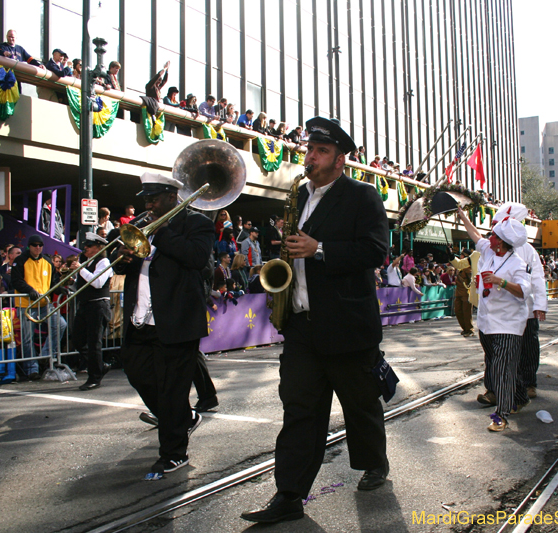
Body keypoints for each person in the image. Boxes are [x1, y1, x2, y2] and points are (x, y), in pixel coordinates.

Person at [242, 117, 390, 524]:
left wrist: (320, 248)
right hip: (303, 325)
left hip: (346, 324)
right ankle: (289, 494)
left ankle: (374, 463)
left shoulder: (363, 195)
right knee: (300, 411)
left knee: (360, 405)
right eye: (310, 149)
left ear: (340, 159)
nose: (311, 156)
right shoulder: (298, 196)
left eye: (322, 151)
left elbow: (376, 251)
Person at [113, 172, 213, 477]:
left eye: (154, 199)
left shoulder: (197, 224)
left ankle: (173, 453)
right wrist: (123, 257)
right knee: (136, 373)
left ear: (172, 197)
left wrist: (163, 233)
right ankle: (183, 417)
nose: (149, 205)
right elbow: (117, 260)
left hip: (177, 321)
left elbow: (196, 257)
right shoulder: (141, 222)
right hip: (141, 320)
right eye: (146, 199)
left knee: (172, 389)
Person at [458, 207, 530, 432]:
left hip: (509, 324)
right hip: (487, 323)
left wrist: (501, 282)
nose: (489, 237)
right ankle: (520, 395)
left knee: (501, 369)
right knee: (499, 364)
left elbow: (524, 291)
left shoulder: (517, 263)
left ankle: (502, 414)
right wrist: (462, 216)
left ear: (502, 242)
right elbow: (475, 236)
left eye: (494, 235)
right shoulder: (489, 252)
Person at [486, 203, 548, 401]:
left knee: (528, 347)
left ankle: (528, 383)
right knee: (494, 353)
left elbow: (537, 278)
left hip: (525, 309)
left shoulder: (528, 250)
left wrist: (539, 305)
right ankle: (493, 389)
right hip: (499, 311)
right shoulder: (489, 250)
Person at [12, 235, 68, 380]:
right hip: (26, 305)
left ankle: (44, 357)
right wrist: (29, 290)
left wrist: (58, 289)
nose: (38, 248)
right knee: (27, 338)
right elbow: (16, 280)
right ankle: (32, 368)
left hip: (44, 303)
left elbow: (52, 282)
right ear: (29, 246)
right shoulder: (21, 261)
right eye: (35, 245)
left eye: (40, 245)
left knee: (60, 325)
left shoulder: (47, 262)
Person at [70, 233, 113, 391]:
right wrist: (72, 281)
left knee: (94, 343)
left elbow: (97, 282)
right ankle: (99, 366)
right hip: (85, 305)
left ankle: (94, 377)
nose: (85, 248)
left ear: (99, 248)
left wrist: (80, 269)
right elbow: (84, 282)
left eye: (89, 246)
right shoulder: (87, 262)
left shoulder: (104, 262)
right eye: (85, 245)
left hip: (98, 306)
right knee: (77, 339)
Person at [449, 250, 477, 336]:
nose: (461, 257)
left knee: (466, 312)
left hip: (466, 292)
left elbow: (470, 280)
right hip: (458, 292)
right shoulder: (460, 266)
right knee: (458, 311)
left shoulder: (469, 267)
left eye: (463, 255)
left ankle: (469, 329)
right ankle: (464, 328)